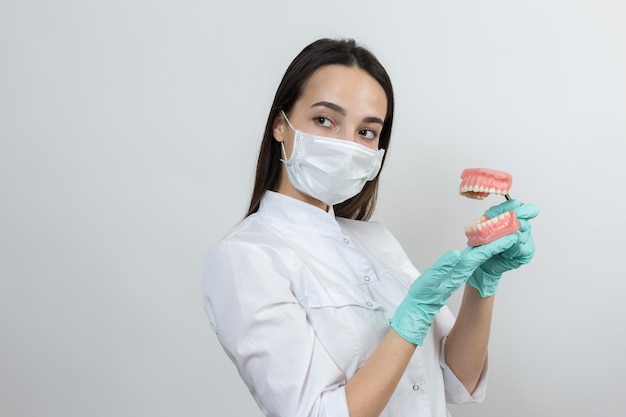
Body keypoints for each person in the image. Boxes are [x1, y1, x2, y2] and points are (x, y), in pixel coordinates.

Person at [202, 38, 539, 417]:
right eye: (325, 120)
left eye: (366, 132)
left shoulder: (376, 241)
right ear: (281, 125)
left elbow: (456, 380)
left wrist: (482, 282)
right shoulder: (245, 258)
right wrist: (409, 319)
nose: (348, 145)